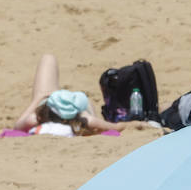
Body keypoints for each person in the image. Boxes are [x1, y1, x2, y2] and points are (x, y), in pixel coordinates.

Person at [14, 54, 148, 136]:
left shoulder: (36, 119)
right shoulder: (86, 120)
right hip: (68, 108)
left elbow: (17, 127)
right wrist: (147, 125)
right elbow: (120, 127)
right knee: (49, 58)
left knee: (48, 58)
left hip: (48, 101)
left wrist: (40, 98)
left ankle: (48, 97)